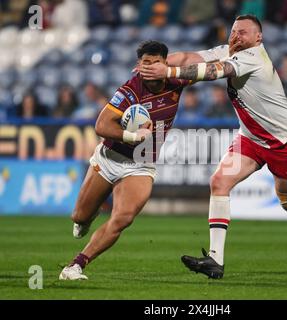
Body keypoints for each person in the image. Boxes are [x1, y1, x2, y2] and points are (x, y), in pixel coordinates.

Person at [140, 14, 287, 279]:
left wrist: (167, 72)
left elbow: (215, 72)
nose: (236, 36)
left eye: (243, 33)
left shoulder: (254, 57)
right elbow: (191, 58)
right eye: (234, 31)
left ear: (258, 38)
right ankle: (215, 260)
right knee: (219, 182)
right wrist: (153, 64)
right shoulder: (227, 51)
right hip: (250, 139)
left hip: (283, 142)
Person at [59, 40, 190, 280]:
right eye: (145, 63)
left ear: (165, 64)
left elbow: (199, 63)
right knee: (79, 216)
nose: (150, 68)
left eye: (156, 62)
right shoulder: (130, 90)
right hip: (110, 157)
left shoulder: (177, 81)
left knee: (123, 218)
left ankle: (75, 265)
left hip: (141, 165)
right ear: (138, 66)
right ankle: (86, 218)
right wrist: (132, 135)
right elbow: (101, 125)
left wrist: (226, 55)